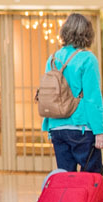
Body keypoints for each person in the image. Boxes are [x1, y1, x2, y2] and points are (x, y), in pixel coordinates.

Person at [42, 13, 103, 174]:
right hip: (81, 128)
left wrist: (48, 126)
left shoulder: (52, 59)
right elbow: (92, 98)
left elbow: (49, 95)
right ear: (87, 33)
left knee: (65, 178)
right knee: (92, 178)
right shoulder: (87, 59)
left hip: (57, 128)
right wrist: (99, 131)